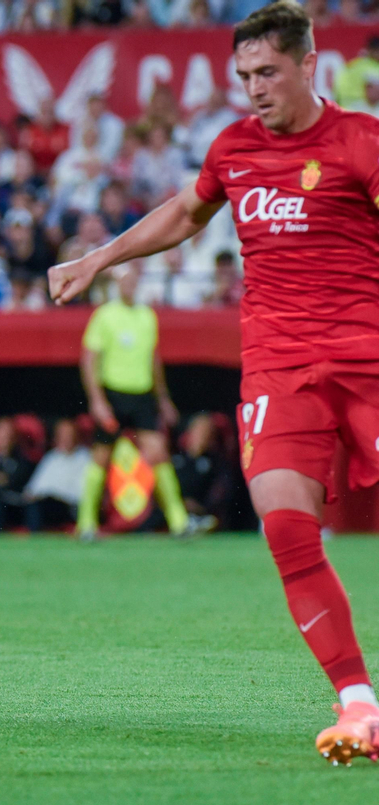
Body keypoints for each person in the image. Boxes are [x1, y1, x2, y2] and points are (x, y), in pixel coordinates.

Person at [49, 2, 379, 765]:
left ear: (308, 64)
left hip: (365, 357)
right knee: (283, 521)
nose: (255, 88)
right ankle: (358, 702)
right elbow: (185, 214)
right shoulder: (233, 149)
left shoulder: (360, 142)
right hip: (278, 366)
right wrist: (99, 258)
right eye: (243, 76)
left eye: (268, 72)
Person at [74, 263, 202, 540]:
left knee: (158, 454)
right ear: (117, 285)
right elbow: (89, 360)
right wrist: (97, 400)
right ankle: (86, 523)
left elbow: (154, 360)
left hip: (142, 395)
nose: (129, 285)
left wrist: (163, 399)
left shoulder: (147, 316)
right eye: (125, 281)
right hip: (113, 393)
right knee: (101, 458)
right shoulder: (104, 316)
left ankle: (178, 521)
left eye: (134, 280)